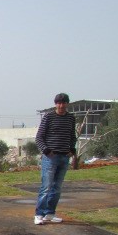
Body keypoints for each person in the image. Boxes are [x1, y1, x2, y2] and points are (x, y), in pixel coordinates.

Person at [34, 93, 77, 225]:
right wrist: (46, 150)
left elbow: (72, 136)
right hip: (50, 157)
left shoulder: (70, 118)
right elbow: (39, 137)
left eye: (64, 103)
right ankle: (39, 215)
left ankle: (50, 213)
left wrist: (72, 149)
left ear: (67, 104)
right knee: (46, 187)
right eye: (59, 103)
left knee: (57, 188)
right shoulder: (48, 117)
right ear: (55, 104)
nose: (61, 105)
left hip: (64, 157)